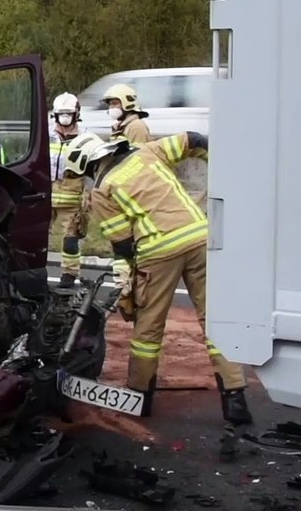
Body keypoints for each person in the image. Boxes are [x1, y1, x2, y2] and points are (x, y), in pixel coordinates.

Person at [63, 130, 252, 425]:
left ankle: (140, 398)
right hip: (200, 237)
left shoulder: (103, 188)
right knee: (214, 319)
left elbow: (122, 243)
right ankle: (235, 398)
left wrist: (126, 282)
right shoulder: (147, 152)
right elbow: (194, 139)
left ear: (89, 165)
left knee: (147, 331)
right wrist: (220, 166)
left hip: (159, 251)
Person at [49, 93, 85, 289]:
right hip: (45, 195)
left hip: (71, 198)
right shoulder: (46, 133)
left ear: (76, 114)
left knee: (70, 240)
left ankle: (69, 274)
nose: (64, 118)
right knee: (36, 236)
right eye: (61, 114)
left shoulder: (85, 136)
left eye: (68, 113)